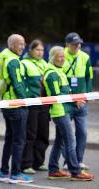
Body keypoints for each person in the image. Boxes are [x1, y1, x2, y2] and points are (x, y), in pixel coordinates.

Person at [44, 46, 94, 181]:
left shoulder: (58, 71)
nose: (62, 59)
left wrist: (73, 98)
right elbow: (56, 95)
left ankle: (53, 170)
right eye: (59, 57)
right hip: (60, 112)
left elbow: (66, 91)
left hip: (64, 110)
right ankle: (76, 172)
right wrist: (74, 101)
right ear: (52, 57)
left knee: (60, 142)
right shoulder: (52, 73)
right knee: (71, 142)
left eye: (63, 56)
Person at [0, 34, 33, 184]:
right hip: (17, 105)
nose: (23, 47)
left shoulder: (4, 57)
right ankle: (15, 173)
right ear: (12, 45)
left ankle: (3, 172)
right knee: (19, 140)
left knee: (9, 139)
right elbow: (17, 84)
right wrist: (26, 100)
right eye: (20, 44)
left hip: (7, 104)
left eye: (24, 44)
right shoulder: (13, 61)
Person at [62, 32, 94, 170]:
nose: (78, 46)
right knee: (65, 134)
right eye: (75, 44)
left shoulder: (85, 57)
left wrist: (84, 97)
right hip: (66, 101)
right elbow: (59, 80)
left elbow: (89, 78)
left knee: (82, 133)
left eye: (79, 43)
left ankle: (79, 160)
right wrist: (72, 98)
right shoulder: (60, 55)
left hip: (81, 102)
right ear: (67, 44)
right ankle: (67, 161)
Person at [21, 39, 50, 174]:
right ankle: (27, 164)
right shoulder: (24, 63)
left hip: (44, 103)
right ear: (31, 50)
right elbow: (22, 83)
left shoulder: (46, 64)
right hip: (32, 103)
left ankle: (39, 162)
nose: (40, 52)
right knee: (30, 135)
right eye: (37, 50)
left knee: (43, 134)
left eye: (42, 50)